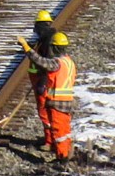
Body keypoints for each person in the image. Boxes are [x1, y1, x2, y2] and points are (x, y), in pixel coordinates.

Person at [19, 30, 75, 161]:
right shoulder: (69, 62)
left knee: (58, 131)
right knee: (65, 131)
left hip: (57, 102)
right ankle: (66, 153)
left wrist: (26, 47)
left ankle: (62, 158)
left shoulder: (57, 63)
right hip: (67, 101)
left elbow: (41, 61)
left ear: (55, 47)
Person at [26, 10, 58, 150]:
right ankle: (49, 139)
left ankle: (50, 142)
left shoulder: (47, 41)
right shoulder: (45, 39)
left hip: (43, 81)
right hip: (40, 80)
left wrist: (43, 81)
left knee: (45, 112)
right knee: (45, 111)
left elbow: (47, 63)